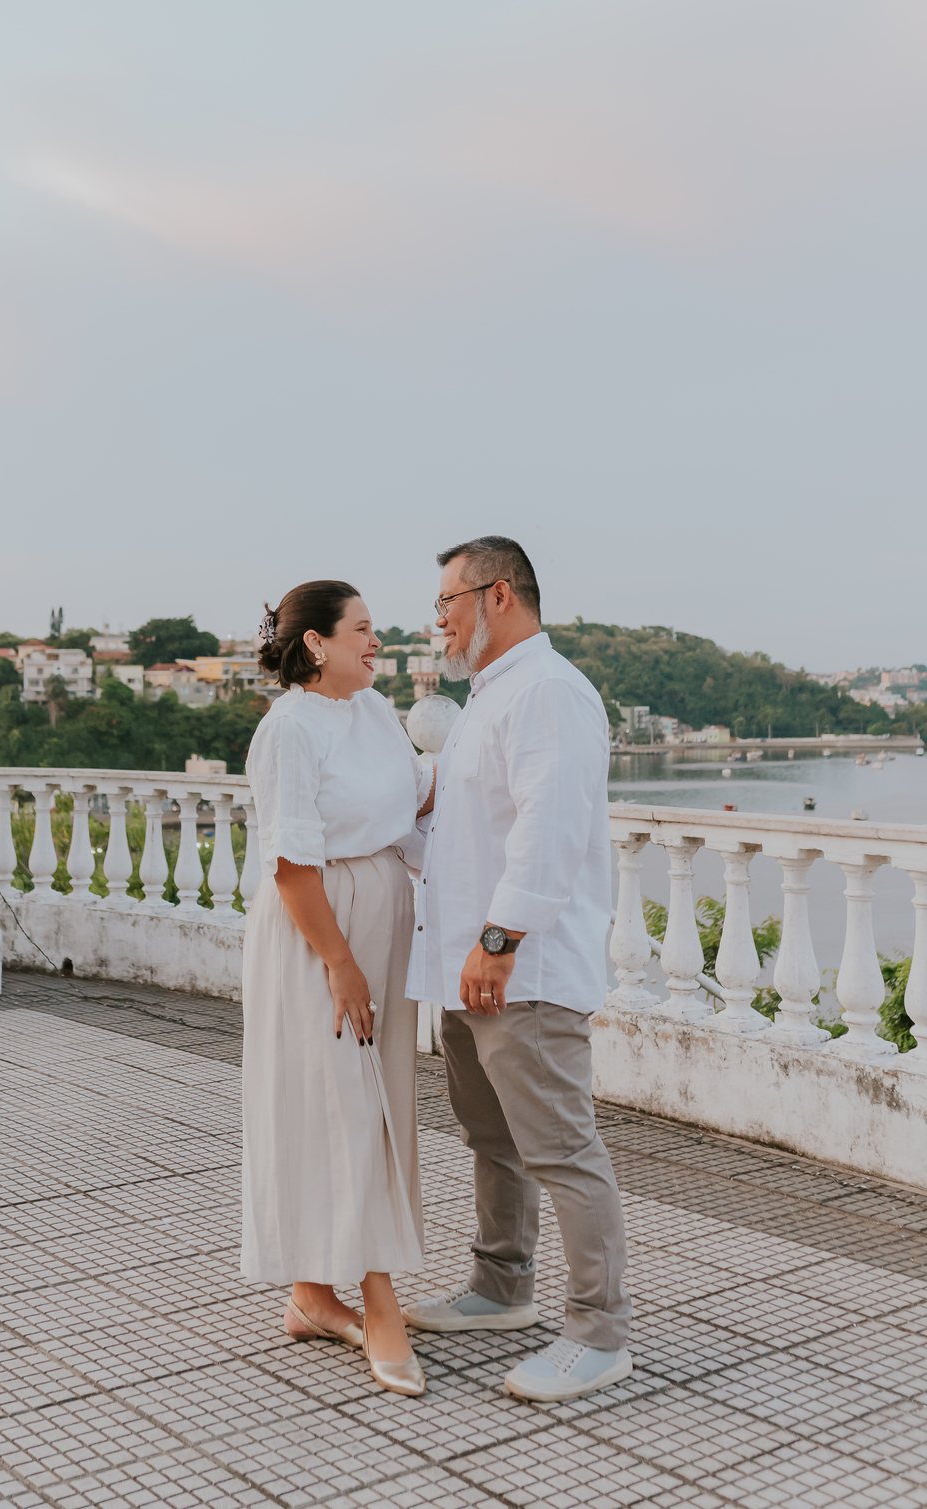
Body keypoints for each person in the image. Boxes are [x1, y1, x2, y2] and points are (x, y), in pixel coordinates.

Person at [404, 536, 632, 1402]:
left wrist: (501, 940)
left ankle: (600, 1330)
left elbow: (551, 828)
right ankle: (503, 1286)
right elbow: (463, 838)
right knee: (491, 1137)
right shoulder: (488, 698)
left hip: (520, 970)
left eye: (447, 602)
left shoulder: (549, 692)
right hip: (469, 968)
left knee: (563, 1148)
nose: (438, 621)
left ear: (498, 595)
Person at [241, 579, 435, 1397]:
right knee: (343, 1104)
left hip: (383, 908)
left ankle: (313, 1294)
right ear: (316, 642)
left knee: (378, 1097)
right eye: (362, 629)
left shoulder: (376, 711)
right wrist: (339, 960)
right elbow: (291, 862)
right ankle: (377, 1291)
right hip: (322, 927)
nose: (376, 642)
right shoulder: (290, 728)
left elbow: (415, 795)